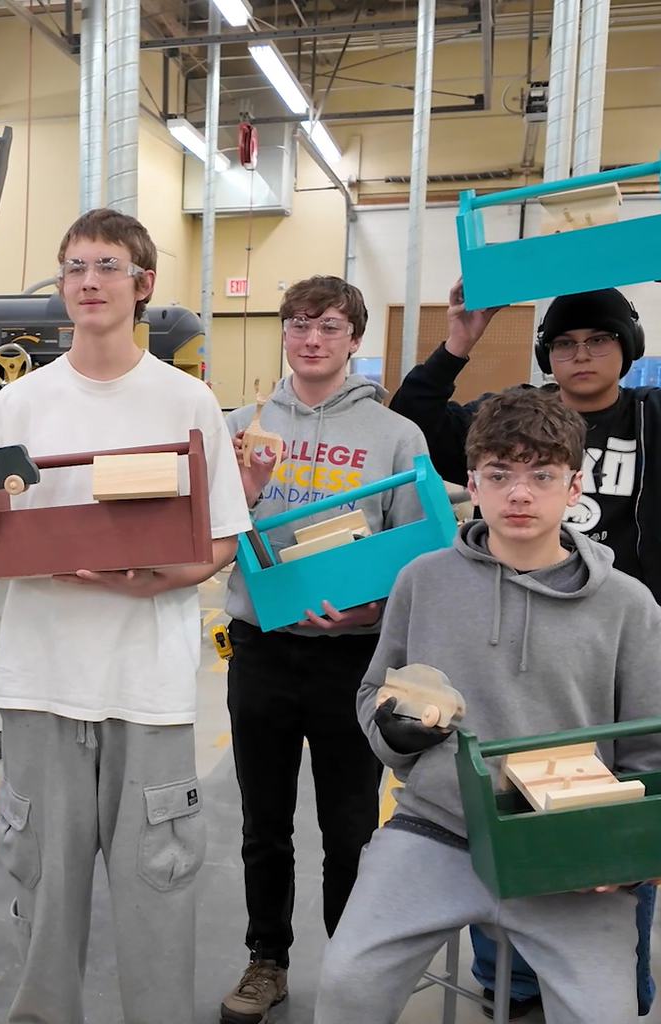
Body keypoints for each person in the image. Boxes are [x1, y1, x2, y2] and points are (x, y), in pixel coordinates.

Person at [0, 207, 249, 1024]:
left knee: (159, 899)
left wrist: (157, 580)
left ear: (142, 284)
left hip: (147, 688)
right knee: (43, 899)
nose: (88, 280)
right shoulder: (19, 405)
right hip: (41, 682)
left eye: (108, 265)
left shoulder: (187, 401)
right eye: (75, 266)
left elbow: (223, 537)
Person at [314, 388, 661, 1024]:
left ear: (574, 488)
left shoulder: (628, 606)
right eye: (499, 474)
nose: (519, 493)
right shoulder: (422, 580)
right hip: (438, 827)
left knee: (604, 1014)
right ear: (472, 484)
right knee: (348, 982)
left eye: (542, 476)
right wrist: (395, 734)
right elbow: (374, 692)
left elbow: (656, 754)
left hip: (568, 846)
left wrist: (623, 854)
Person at [389, 268, 661, 1016]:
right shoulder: (515, 421)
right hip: (515, 655)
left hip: (622, 655)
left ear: (628, 348)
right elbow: (415, 419)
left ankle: (618, 985)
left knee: (613, 813)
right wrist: (460, 341)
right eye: (564, 343)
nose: (581, 355)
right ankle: (512, 988)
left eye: (599, 341)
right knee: (505, 809)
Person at [218, 275, 428, 1024]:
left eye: (330, 325)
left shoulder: (396, 436)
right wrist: (243, 485)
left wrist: (376, 609)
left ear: (354, 339)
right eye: (300, 323)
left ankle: (349, 965)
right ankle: (266, 959)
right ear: (284, 331)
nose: (312, 338)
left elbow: (417, 553)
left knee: (349, 829)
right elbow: (212, 533)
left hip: (354, 658)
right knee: (263, 823)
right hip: (263, 647)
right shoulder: (240, 425)